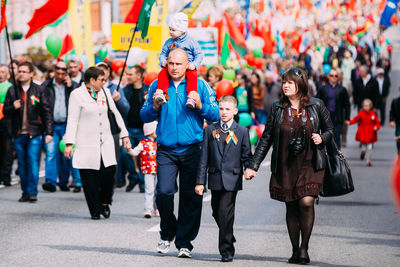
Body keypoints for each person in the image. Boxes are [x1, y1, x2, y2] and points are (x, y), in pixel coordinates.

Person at [244, 68, 334, 265]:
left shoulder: (316, 105)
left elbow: (330, 129)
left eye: (290, 82)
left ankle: (304, 248)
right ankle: (295, 249)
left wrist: (322, 137)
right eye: (284, 82)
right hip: (286, 164)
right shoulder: (277, 108)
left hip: (311, 163)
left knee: (306, 202)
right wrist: (253, 166)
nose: (285, 85)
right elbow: (266, 139)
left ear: (300, 84)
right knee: (292, 207)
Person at [140, 48, 219, 257]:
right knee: (164, 192)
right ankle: (167, 233)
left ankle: (184, 242)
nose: (174, 68)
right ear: (166, 64)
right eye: (171, 63)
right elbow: (144, 114)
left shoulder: (200, 85)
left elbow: (215, 114)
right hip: (166, 149)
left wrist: (201, 105)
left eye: (179, 64)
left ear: (187, 65)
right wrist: (155, 107)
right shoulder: (157, 85)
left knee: (190, 197)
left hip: (193, 148)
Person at [63, 67, 131, 220]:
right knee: (90, 180)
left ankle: (105, 202)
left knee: (109, 174)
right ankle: (95, 210)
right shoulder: (77, 95)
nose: (104, 82)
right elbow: (72, 119)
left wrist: (124, 135)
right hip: (86, 144)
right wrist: (69, 143)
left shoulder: (105, 92)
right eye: (101, 80)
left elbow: (116, 114)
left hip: (105, 142)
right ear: (92, 80)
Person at [195, 95, 252, 262]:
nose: (224, 112)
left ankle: (226, 250)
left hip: (232, 178)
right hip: (214, 178)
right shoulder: (210, 130)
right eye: (221, 109)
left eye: (227, 109)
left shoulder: (242, 131)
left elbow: (246, 155)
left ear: (235, 111)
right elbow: (203, 157)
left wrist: (249, 168)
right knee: (216, 210)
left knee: (225, 212)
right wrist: (200, 182)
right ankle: (228, 233)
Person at [4, 61, 53, 202]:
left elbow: (47, 111)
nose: (21, 74)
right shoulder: (12, 90)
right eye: (19, 71)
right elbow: (5, 112)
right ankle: (24, 191)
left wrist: (49, 132)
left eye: (24, 71)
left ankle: (32, 192)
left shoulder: (39, 90)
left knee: (33, 162)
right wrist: (12, 106)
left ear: (31, 74)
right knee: (22, 163)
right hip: (19, 133)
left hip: (35, 133)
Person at [41, 61, 82, 193]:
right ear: (54, 71)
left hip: (67, 125)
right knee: (51, 154)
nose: (59, 75)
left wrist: (70, 88)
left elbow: (78, 103)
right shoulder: (46, 85)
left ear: (66, 74)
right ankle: (51, 182)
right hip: (51, 125)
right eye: (57, 73)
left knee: (68, 154)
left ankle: (67, 182)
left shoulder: (73, 86)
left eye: (62, 73)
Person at [154, 12, 203, 108]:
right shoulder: (169, 42)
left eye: (173, 30)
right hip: (170, 66)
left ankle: (191, 97)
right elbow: (163, 53)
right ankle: (161, 93)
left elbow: (199, 54)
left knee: (192, 76)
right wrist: (163, 61)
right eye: (170, 29)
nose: (171, 32)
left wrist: (194, 64)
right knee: (162, 74)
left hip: (188, 67)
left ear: (182, 30)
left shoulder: (191, 42)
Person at [119, 65, 148, 192]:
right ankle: (133, 177)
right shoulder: (125, 90)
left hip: (144, 129)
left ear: (139, 75)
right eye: (127, 74)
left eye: (130, 74)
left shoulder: (148, 89)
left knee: (143, 156)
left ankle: (142, 183)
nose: (128, 77)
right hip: (128, 129)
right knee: (125, 153)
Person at [129, 121, 159, 218]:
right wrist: (129, 150)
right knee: (149, 190)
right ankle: (148, 209)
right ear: (150, 132)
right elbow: (135, 153)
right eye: (155, 130)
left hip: (159, 170)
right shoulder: (143, 143)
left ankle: (157, 208)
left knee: (159, 190)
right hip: (148, 171)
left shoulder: (159, 142)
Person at [316, 68, 350, 148]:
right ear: (328, 76)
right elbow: (317, 103)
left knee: (336, 137)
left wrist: (347, 118)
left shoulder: (342, 89)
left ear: (338, 77)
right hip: (325, 118)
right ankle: (327, 157)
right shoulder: (322, 88)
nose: (333, 77)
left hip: (337, 118)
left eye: (336, 75)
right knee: (326, 138)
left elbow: (347, 104)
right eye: (331, 75)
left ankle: (337, 157)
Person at [346, 99, 381, 166]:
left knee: (370, 147)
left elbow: (377, 122)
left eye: (368, 106)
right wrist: (350, 122)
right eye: (365, 106)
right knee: (364, 148)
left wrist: (377, 127)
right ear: (363, 106)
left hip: (371, 132)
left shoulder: (373, 114)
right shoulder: (361, 113)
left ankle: (368, 161)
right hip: (363, 132)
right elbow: (356, 119)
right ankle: (363, 152)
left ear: (370, 106)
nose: (366, 107)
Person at [0, 64, 13, 186]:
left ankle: (6, 175)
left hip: (6, 121)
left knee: (7, 149)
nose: (0, 74)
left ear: (8, 74)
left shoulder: (10, 87)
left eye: (3, 72)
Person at [390, 87, 400, 154]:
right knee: (398, 139)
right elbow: (392, 112)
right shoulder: (395, 101)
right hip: (399, 124)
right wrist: (391, 120)